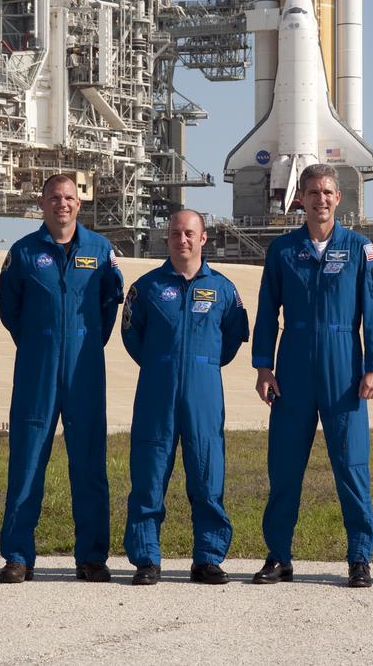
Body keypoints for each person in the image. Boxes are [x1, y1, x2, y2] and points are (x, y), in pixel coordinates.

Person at [251, 164, 373, 588]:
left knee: (351, 465)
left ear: (338, 198)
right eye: (312, 192)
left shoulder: (359, 248)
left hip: (344, 368)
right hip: (293, 367)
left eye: (327, 192)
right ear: (302, 199)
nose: (321, 199)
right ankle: (278, 555)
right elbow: (265, 311)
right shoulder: (283, 250)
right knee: (285, 465)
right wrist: (263, 366)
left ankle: (360, 557)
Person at [0, 174, 124, 584]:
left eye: (69, 198)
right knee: (27, 461)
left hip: (85, 368)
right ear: (42, 202)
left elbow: (109, 306)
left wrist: (84, 342)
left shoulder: (100, 251)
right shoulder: (23, 252)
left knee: (88, 463)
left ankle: (91, 557)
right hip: (37, 367)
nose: (62, 204)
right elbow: (10, 310)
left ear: (79, 204)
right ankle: (18, 555)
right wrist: (39, 342)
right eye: (55, 198)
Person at [120, 210, 250, 585]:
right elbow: (133, 336)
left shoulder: (223, 289)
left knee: (207, 472)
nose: (183, 239)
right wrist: (163, 363)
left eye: (190, 233)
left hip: (204, 390)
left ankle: (207, 558)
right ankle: (147, 558)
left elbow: (232, 338)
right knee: (148, 472)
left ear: (203, 238)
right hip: (156, 391)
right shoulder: (145, 288)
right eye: (176, 233)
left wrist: (202, 365)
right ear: (168, 238)